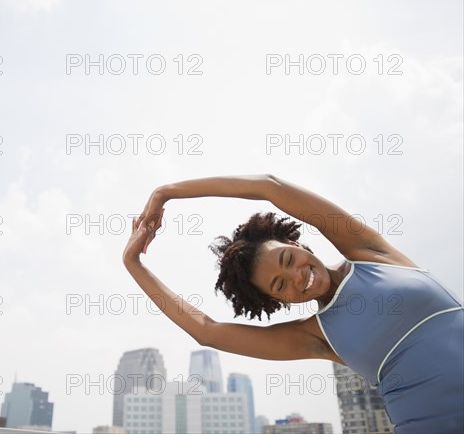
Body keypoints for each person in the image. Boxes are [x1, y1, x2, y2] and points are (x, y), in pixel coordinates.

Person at [122, 174, 464, 434]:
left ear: (292, 241)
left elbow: (271, 188)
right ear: (275, 300)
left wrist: (165, 193)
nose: (298, 276)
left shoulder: (370, 253)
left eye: (288, 259)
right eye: (280, 285)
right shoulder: (316, 336)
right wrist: (133, 263)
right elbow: (207, 332)